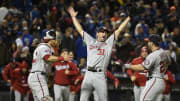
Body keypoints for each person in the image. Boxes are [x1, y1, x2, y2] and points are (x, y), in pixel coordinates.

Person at [68, 7, 130, 101]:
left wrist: (128, 18)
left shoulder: (108, 43)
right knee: (83, 99)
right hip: (88, 74)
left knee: (103, 99)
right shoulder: (90, 41)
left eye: (105, 32)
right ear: (97, 34)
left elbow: (119, 30)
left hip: (100, 75)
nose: (104, 34)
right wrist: (73, 17)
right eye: (102, 32)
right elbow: (80, 30)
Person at [124, 34, 171, 101]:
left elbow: (142, 67)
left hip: (154, 80)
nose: (148, 43)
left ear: (152, 43)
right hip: (161, 82)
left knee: (143, 99)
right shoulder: (163, 52)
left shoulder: (153, 55)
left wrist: (127, 66)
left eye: (149, 42)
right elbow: (169, 62)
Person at [28, 30, 70, 101]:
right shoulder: (44, 47)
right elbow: (47, 58)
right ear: (52, 39)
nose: (58, 42)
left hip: (38, 76)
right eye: (57, 39)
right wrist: (62, 58)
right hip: (38, 76)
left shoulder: (46, 47)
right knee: (47, 99)